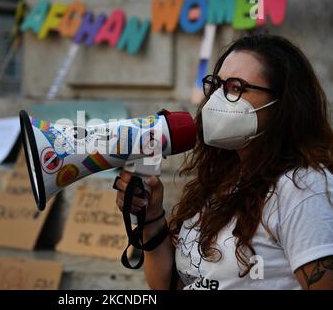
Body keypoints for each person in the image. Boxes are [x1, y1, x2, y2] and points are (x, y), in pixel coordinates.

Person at [113, 34, 333, 290]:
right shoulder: (221, 182)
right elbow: (170, 285)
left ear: (283, 104)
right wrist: (151, 217)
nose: (217, 98)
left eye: (236, 88)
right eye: (216, 85)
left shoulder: (303, 187)